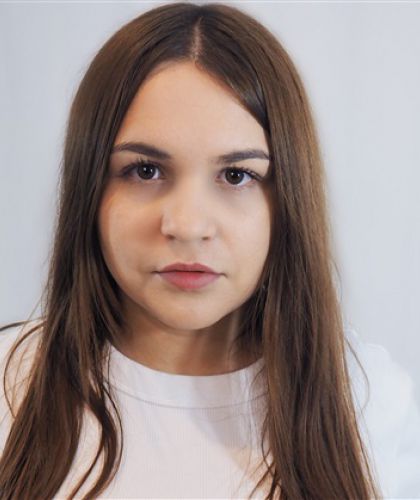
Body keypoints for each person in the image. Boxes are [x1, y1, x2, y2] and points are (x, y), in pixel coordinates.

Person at [0, 2, 419, 499]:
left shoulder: (371, 401)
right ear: (89, 185)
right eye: (145, 170)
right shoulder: (9, 385)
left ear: (288, 198)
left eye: (236, 175)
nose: (188, 226)